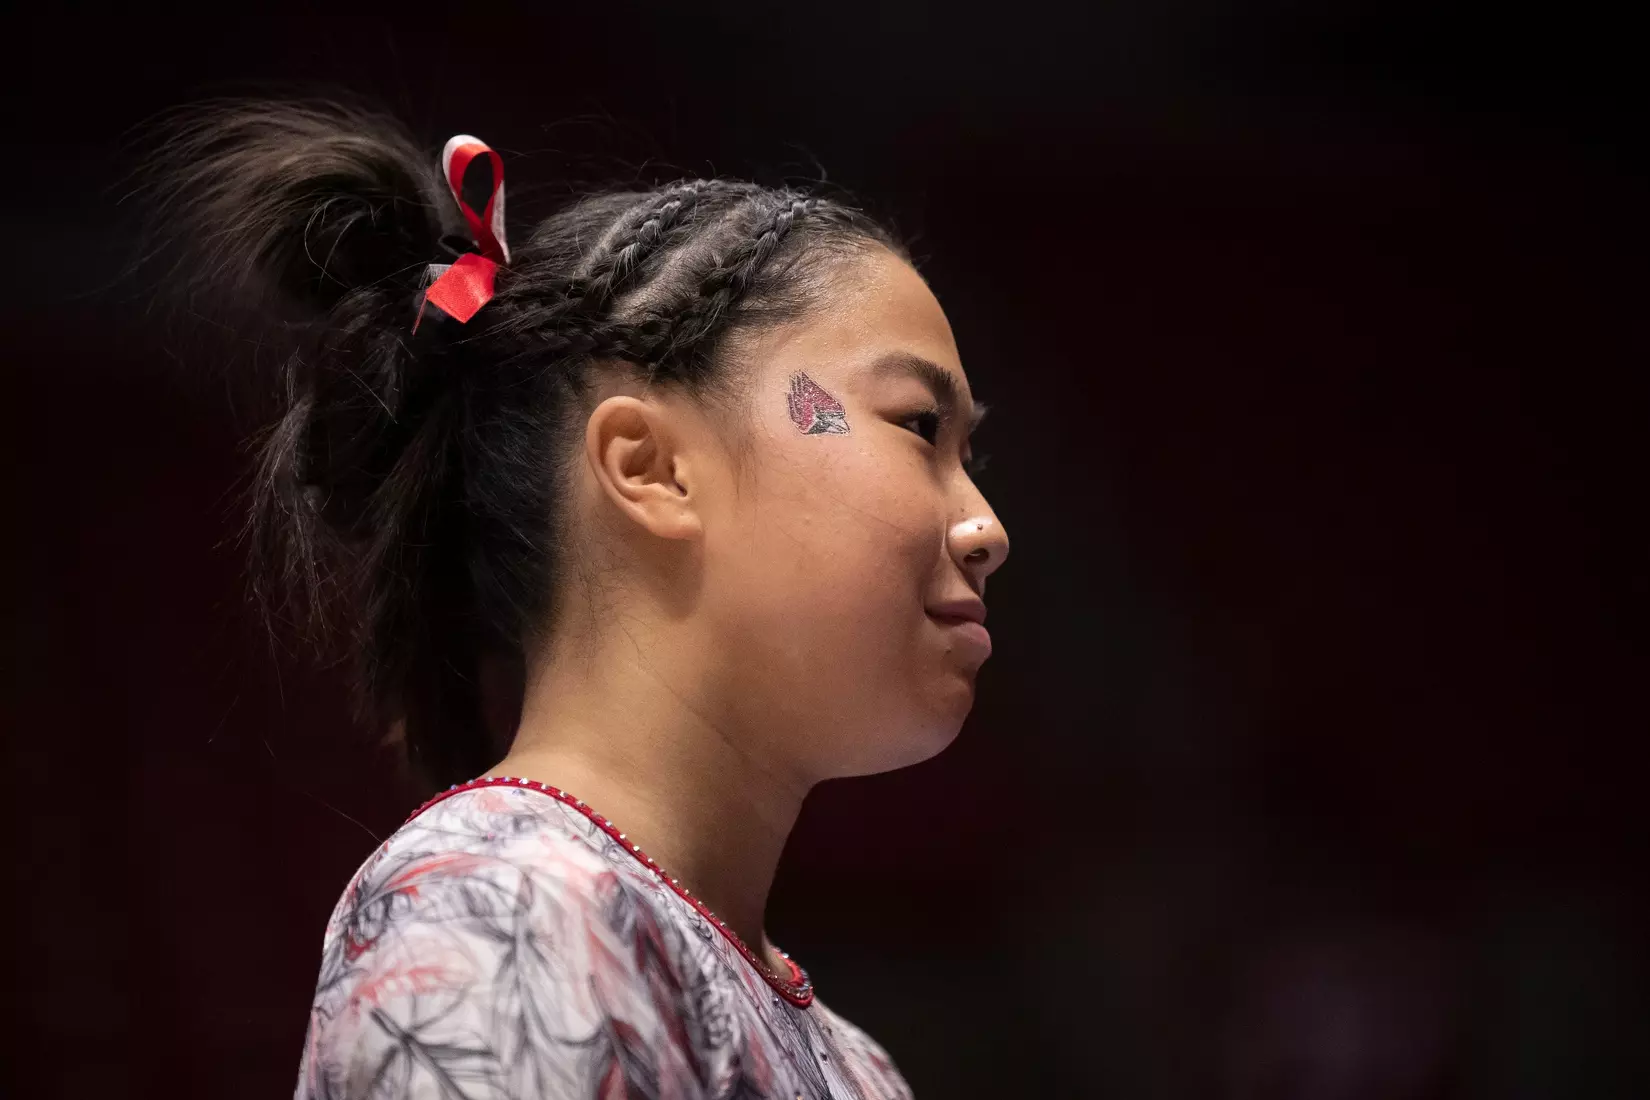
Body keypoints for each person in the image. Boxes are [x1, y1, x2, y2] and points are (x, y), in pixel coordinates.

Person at [150, 101, 1008, 1099]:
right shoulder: (499, 907)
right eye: (918, 425)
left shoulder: (858, 1065)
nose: (986, 527)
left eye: (970, 455)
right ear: (651, 468)